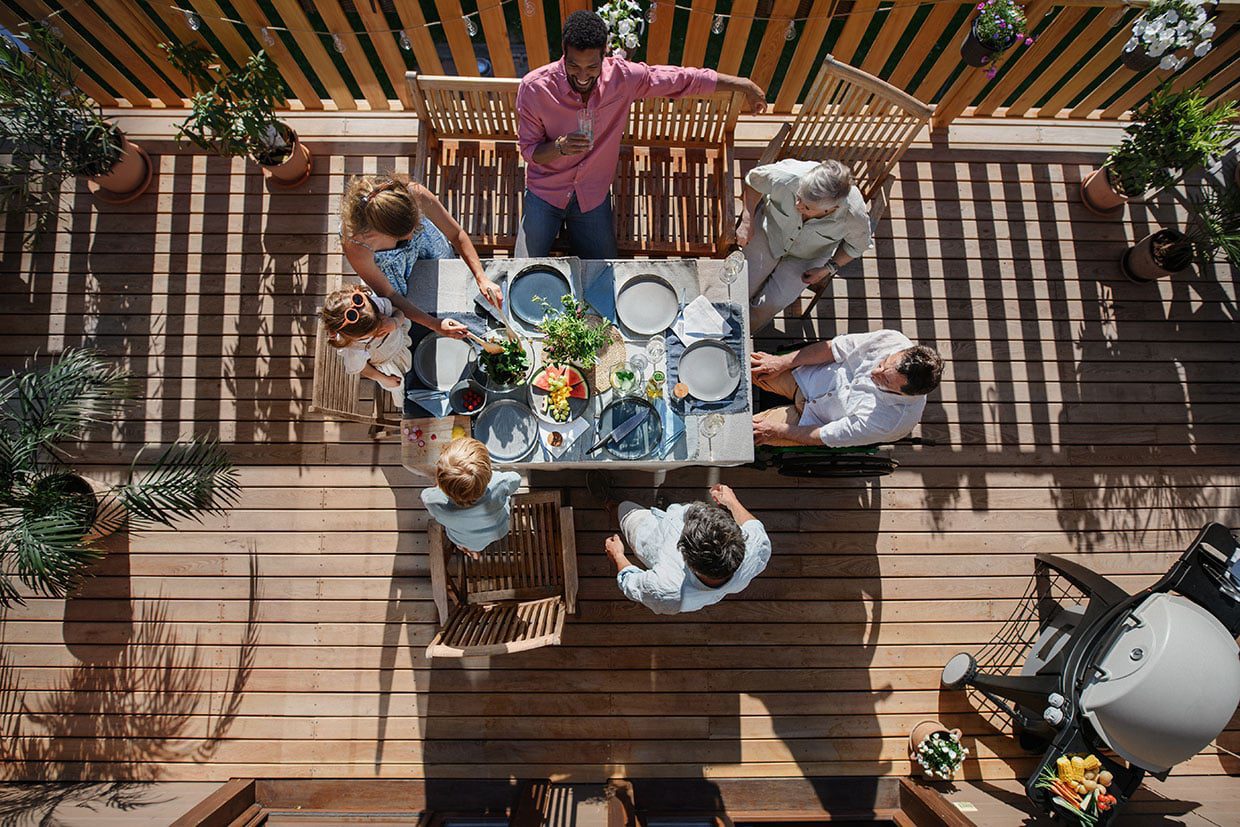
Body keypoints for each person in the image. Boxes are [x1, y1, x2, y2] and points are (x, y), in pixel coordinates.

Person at [515, 10, 768, 258]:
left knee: (605, 273)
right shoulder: (534, 89)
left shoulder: (623, 78)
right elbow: (530, 152)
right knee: (521, 272)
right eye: (573, 65)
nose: (582, 76)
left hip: (591, 196)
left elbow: (681, 79)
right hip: (545, 193)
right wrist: (559, 147)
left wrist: (742, 84)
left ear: (604, 53)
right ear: (563, 51)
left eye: (591, 67)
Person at [340, 173, 503, 340]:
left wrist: (481, 277)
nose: (411, 238)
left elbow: (456, 234)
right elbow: (389, 294)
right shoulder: (356, 245)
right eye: (403, 237)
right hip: (394, 274)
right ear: (379, 234)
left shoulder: (414, 194)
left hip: (430, 248)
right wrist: (435, 324)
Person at [738, 158, 873, 330]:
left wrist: (828, 269)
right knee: (738, 286)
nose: (797, 205)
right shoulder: (788, 175)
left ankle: (740, 336)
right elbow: (753, 181)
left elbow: (857, 247)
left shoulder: (854, 215)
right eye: (798, 196)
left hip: (807, 258)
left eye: (807, 206)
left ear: (832, 209)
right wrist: (747, 218)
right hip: (769, 233)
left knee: (770, 305)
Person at [750, 329, 942, 447]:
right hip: (808, 377)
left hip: (809, 422)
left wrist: (775, 430)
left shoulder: (891, 421)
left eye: (885, 380)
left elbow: (824, 435)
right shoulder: (892, 340)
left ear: (904, 394)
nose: (874, 372)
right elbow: (833, 348)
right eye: (883, 362)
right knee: (740, 365)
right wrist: (781, 362)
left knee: (746, 433)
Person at [602, 484, 771, 615]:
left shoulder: (669, 590)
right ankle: (662, 509)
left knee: (625, 510)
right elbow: (753, 526)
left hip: (649, 537)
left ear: (686, 558)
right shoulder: (755, 549)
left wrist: (617, 555)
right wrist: (732, 502)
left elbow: (631, 583)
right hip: (666, 525)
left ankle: (610, 505)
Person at [420, 438, 522, 557]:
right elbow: (516, 479)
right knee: (503, 504)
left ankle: (471, 551)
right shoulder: (498, 483)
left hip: (463, 537)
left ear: (440, 481)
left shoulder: (435, 502)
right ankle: (473, 550)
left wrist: (439, 488)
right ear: (488, 474)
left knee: (465, 543)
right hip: (497, 530)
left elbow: (425, 494)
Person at [320, 285, 413, 408]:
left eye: (380, 319)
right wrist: (385, 379)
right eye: (372, 333)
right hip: (389, 362)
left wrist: (395, 322)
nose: (379, 330)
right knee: (399, 386)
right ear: (352, 338)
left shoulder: (374, 305)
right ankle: (405, 405)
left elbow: (398, 312)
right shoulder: (354, 348)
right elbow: (363, 368)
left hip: (399, 343)